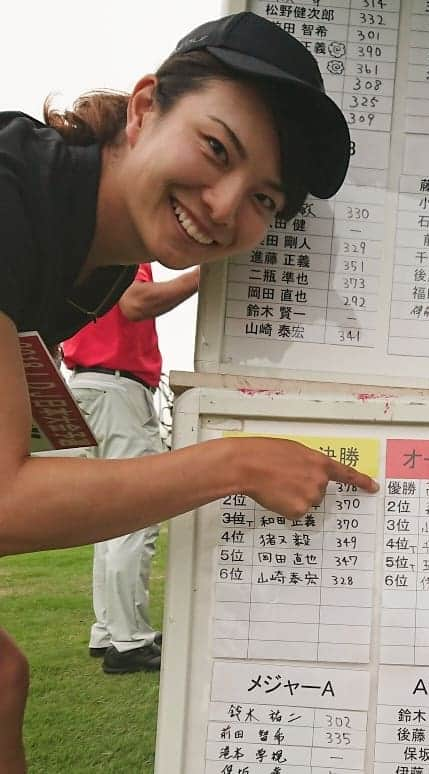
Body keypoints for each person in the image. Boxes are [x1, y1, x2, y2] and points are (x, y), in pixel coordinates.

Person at [0, 12, 378, 772]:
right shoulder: (15, 196)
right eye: (216, 149)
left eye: (265, 200)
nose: (223, 205)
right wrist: (231, 464)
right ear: (144, 107)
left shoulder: (99, 258)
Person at [62, 263, 199, 673]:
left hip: (90, 385)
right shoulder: (127, 251)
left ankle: (110, 631)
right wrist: (206, 274)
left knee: (110, 518)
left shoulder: (89, 254)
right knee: (135, 515)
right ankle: (128, 642)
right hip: (117, 386)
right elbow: (137, 302)